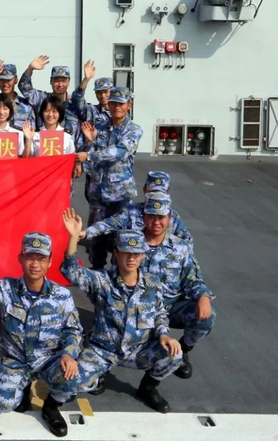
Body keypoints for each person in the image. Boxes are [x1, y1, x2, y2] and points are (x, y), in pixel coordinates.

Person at [61, 209, 183, 413]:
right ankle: (95, 377)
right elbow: (71, 272)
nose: (131, 258)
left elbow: (159, 313)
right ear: (116, 253)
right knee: (69, 383)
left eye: (136, 253)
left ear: (142, 255)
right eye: (126, 252)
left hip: (138, 350)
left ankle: (148, 387)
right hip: (103, 350)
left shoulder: (152, 283)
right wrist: (73, 238)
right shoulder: (102, 280)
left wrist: (164, 334)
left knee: (175, 355)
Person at [0, 236, 81, 438]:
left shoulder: (61, 295)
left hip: (47, 360)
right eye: (30, 257)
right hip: (15, 361)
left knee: (75, 378)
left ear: (49, 262)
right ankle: (22, 386)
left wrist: (68, 354)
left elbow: (73, 330)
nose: (35, 264)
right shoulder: (5, 288)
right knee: (3, 403)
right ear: (20, 258)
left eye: (41, 259)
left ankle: (51, 407)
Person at [136, 195, 215, 379]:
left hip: (171, 308)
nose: (156, 222)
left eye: (161, 217)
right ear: (144, 216)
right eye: (152, 216)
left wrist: (204, 296)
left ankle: (183, 350)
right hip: (139, 310)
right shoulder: (131, 244)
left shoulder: (181, 248)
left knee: (208, 315)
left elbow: (193, 279)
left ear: (170, 218)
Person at [77, 87, 142, 269]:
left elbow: (119, 152)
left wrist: (89, 155)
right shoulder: (100, 127)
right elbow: (87, 150)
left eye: (121, 104)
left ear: (129, 105)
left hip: (120, 195)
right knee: (96, 238)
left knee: (120, 238)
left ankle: (118, 275)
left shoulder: (134, 130)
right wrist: (89, 142)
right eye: (113, 103)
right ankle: (97, 273)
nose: (116, 107)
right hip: (98, 193)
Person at [81, 172, 193, 244]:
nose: (156, 196)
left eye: (161, 192)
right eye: (153, 191)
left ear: (168, 192)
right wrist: (86, 233)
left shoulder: (173, 216)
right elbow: (108, 224)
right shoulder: (130, 212)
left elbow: (187, 241)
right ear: (144, 190)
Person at [18, 56, 83, 149]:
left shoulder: (75, 104)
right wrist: (30, 68)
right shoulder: (42, 99)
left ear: (69, 82)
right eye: (56, 81)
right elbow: (24, 88)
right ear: (51, 81)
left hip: (68, 153)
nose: (60, 84)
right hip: (44, 150)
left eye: (63, 81)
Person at [71, 60, 112, 129]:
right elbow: (77, 99)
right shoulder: (91, 111)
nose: (102, 95)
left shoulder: (119, 111)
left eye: (106, 92)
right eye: (99, 92)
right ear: (95, 93)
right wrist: (86, 79)